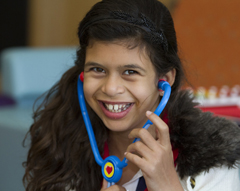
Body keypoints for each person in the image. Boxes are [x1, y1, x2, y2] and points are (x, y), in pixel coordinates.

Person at [23, 0, 240, 190]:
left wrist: (168, 186)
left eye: (130, 72)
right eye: (97, 69)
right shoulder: (61, 146)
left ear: (165, 79)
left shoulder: (214, 159)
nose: (110, 88)